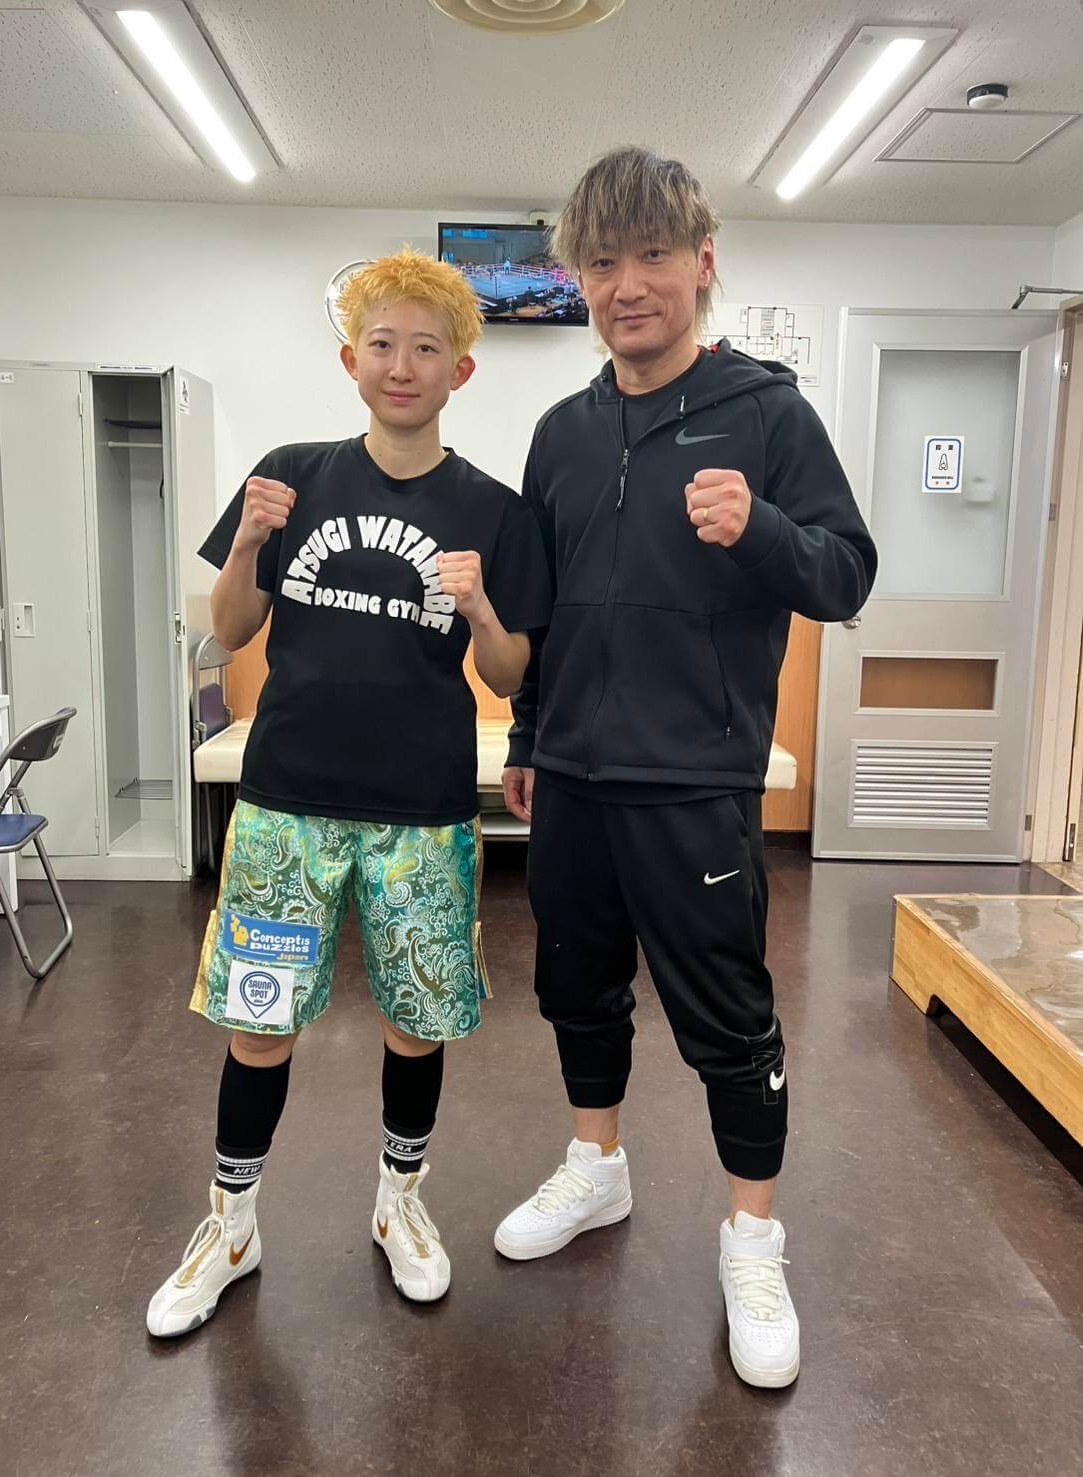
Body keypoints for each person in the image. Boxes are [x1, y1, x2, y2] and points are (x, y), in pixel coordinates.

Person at [493, 147, 877, 1389]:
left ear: (703, 263)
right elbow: (541, 612)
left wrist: (759, 529)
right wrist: (527, 740)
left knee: (727, 1018)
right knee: (576, 988)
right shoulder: (560, 432)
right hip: (573, 775)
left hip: (696, 780)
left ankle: (751, 1238)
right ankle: (596, 1164)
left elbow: (846, 575)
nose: (626, 284)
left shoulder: (768, 414)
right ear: (577, 279)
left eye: (651, 255)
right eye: (600, 261)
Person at [146, 248, 552, 1335]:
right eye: (382, 345)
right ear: (350, 361)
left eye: (426, 348)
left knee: (416, 1023)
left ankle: (398, 1203)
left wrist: (480, 612)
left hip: (421, 809)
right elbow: (231, 630)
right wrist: (246, 542)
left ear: (461, 370)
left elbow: (510, 673)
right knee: (258, 1021)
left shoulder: (493, 510)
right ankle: (231, 1225)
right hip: (287, 802)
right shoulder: (291, 476)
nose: (402, 365)